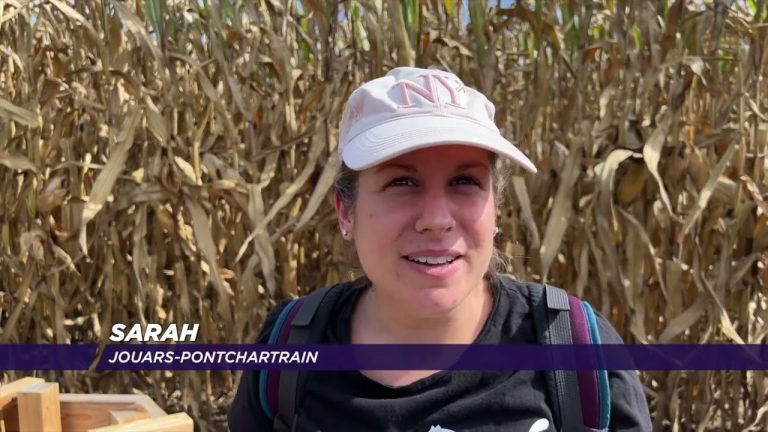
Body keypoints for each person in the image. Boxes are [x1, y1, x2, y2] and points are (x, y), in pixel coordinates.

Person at [229, 67, 652, 431]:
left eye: (465, 182)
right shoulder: (286, 356)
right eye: (401, 182)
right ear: (346, 212)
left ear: (497, 207)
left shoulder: (576, 352)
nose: (437, 218)